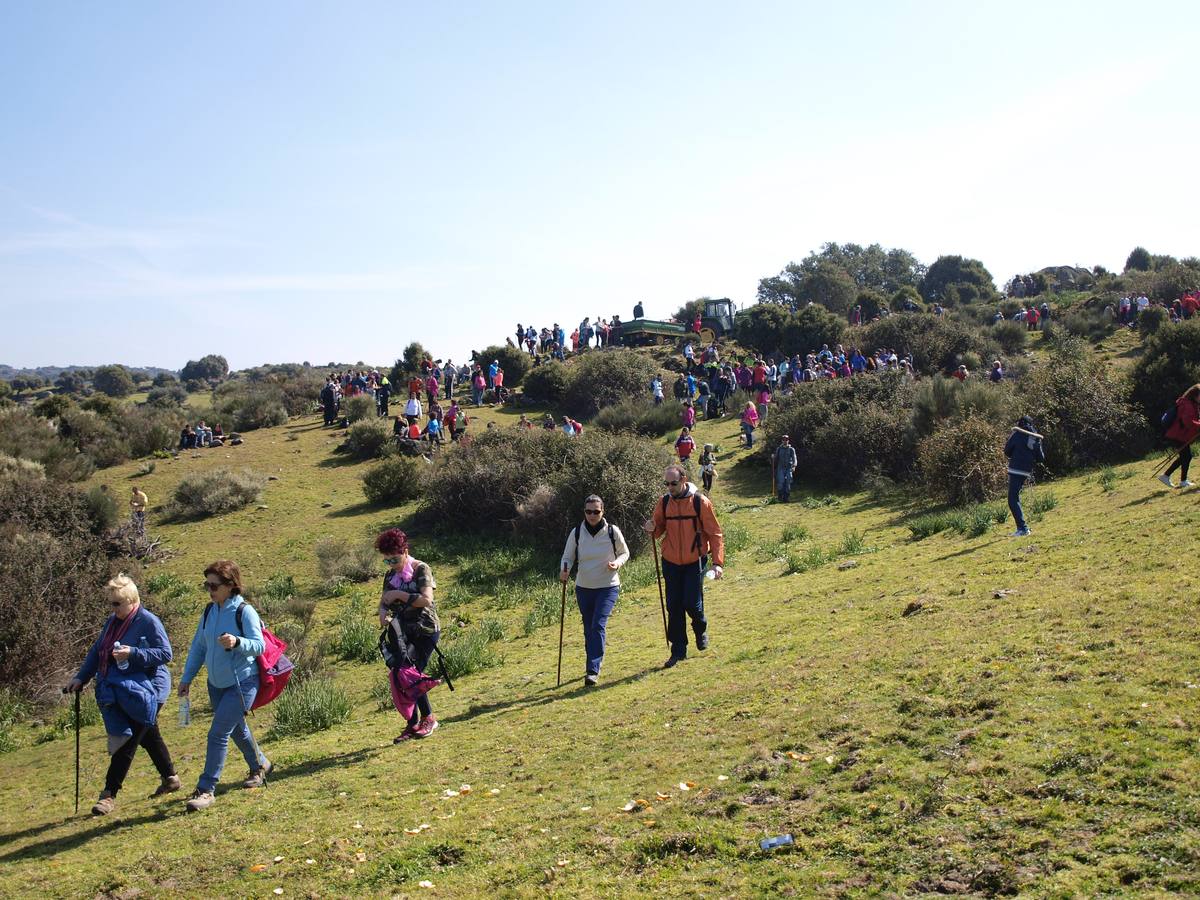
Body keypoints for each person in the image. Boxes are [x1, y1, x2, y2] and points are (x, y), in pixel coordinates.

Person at [66, 575, 179, 815]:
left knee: (128, 738)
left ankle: (108, 795)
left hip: (149, 690)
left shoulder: (148, 621)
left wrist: (134, 653)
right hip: (122, 689)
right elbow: (98, 652)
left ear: (131, 601)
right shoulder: (112, 623)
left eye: (117, 604)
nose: (113, 608)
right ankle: (171, 777)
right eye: (111, 603)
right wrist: (81, 677)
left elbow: (165, 654)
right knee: (148, 734)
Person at [178, 560, 269, 811]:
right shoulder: (209, 611)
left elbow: (259, 645)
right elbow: (199, 647)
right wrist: (187, 678)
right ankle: (260, 765)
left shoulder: (244, 611)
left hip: (243, 682)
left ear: (230, 585)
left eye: (214, 585)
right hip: (215, 685)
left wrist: (237, 641)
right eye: (206, 584)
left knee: (218, 733)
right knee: (238, 730)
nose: (210, 589)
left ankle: (206, 789)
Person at [644, 465, 725, 668]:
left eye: (673, 483)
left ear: (683, 479)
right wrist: (651, 528)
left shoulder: (700, 502)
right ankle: (678, 651)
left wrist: (717, 563)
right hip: (670, 561)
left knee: (691, 602)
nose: (670, 487)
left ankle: (700, 628)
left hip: (694, 560)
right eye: (667, 484)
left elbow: (715, 534)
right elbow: (657, 529)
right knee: (674, 606)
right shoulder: (663, 503)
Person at [376, 529, 442, 741]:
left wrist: (399, 595)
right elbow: (384, 600)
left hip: (425, 630)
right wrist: (383, 613)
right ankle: (413, 724)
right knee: (400, 673)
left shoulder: (421, 569)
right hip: (402, 631)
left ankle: (428, 719)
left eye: (394, 559)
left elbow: (426, 600)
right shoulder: (390, 575)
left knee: (411, 674)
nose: (391, 564)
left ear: (405, 551)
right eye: (387, 561)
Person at [559, 495, 630, 686]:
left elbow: (625, 552)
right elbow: (567, 557)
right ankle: (592, 660)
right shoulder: (576, 533)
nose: (592, 515)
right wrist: (564, 569)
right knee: (589, 627)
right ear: (584, 512)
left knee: (598, 624)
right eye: (588, 511)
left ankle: (592, 670)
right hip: (584, 587)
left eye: (596, 512)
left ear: (602, 511)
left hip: (608, 586)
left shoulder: (612, 531)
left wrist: (617, 563)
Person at [1004, 416, 1045, 537]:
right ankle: (1022, 528)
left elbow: (1007, 451)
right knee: (1015, 497)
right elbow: (1041, 458)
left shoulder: (1017, 434)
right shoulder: (1036, 437)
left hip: (1015, 469)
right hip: (1026, 471)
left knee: (1012, 499)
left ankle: (1023, 529)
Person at [1159, 384, 1200, 489]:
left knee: (1185, 456)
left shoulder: (1191, 403)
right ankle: (1180, 480)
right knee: (1186, 456)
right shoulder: (1187, 405)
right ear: (1195, 395)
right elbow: (1188, 422)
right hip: (1178, 435)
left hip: (1179, 434)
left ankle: (1167, 476)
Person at [772, 435, 798, 502]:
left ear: (788, 441)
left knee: (788, 481)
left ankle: (786, 498)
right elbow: (776, 458)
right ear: (782, 441)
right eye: (783, 440)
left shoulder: (791, 449)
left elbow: (794, 458)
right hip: (780, 468)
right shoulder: (779, 449)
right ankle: (780, 496)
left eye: (786, 440)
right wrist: (773, 457)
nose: (785, 441)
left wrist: (794, 466)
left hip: (789, 467)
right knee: (781, 482)